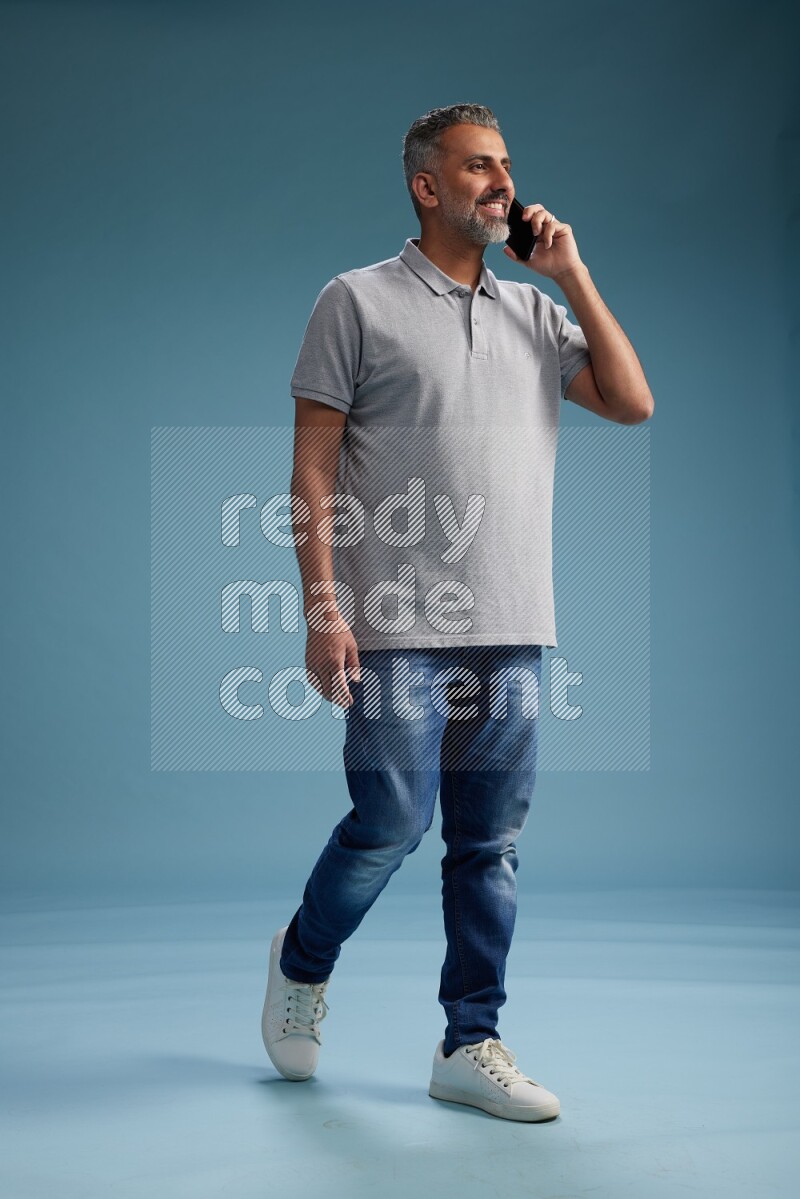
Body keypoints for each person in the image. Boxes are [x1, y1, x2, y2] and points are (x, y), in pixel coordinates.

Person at [261, 103, 653, 1122]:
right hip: (392, 620)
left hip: (513, 621)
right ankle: (302, 960)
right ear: (425, 186)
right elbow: (309, 468)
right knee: (389, 821)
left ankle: (467, 1040)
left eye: (507, 166)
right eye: (479, 166)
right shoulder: (354, 301)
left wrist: (566, 274)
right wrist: (322, 608)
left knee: (489, 845)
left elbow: (630, 400)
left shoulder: (534, 315)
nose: (502, 182)